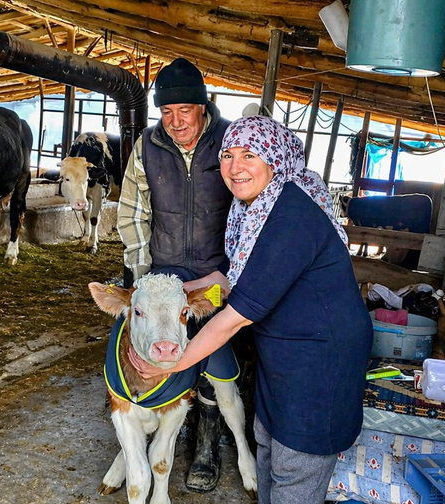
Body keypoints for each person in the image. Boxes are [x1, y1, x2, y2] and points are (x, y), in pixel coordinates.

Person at [130, 115, 373, 504]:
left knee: (296, 463)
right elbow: (232, 276)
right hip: (285, 353)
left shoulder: (291, 216)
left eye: (249, 155)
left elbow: (234, 316)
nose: (234, 166)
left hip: (320, 362)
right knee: (267, 445)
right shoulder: (255, 209)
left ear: (274, 158)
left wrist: (175, 364)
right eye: (227, 155)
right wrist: (166, 290)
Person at [116, 56, 236, 493]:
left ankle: (206, 443)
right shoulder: (148, 145)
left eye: (184, 110)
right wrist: (144, 274)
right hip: (165, 272)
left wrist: (231, 271)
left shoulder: (229, 141)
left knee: (213, 358)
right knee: (155, 350)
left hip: (214, 274)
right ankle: (142, 431)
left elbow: (248, 205)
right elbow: (131, 210)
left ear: (203, 106)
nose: (175, 121)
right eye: (166, 112)